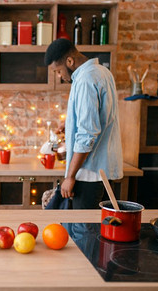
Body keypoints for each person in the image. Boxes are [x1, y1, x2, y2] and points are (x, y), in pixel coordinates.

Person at [44, 39, 123, 209]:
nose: (60, 77)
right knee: (98, 228)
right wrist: (71, 123)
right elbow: (101, 115)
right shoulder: (102, 72)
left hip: (89, 174)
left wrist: (70, 176)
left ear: (70, 61)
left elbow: (88, 133)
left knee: (83, 232)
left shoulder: (85, 80)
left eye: (58, 71)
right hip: (104, 170)